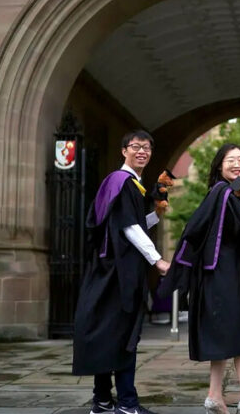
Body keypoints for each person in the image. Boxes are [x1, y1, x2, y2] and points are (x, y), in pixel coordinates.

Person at [159, 143, 240, 414]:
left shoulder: (217, 193)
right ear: (219, 165)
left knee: (223, 338)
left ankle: (214, 396)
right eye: (231, 160)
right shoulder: (225, 194)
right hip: (230, 278)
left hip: (217, 277)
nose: (238, 164)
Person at [72, 130, 171, 414]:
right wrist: (157, 260)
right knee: (125, 335)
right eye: (137, 146)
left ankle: (102, 401)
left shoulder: (126, 185)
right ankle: (127, 403)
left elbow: (130, 223)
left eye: (148, 148)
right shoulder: (123, 182)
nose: (143, 151)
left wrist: (156, 214)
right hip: (119, 273)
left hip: (107, 271)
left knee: (107, 334)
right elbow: (129, 227)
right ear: (124, 151)